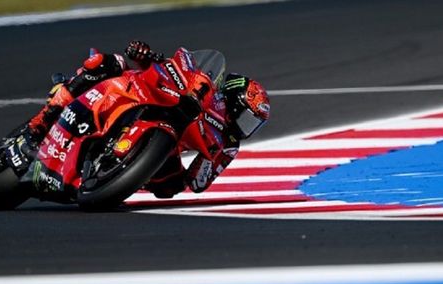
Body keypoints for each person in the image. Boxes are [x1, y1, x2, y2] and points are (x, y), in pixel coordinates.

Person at [19, 40, 270, 198]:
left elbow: (197, 183)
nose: (245, 127)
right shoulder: (204, 87)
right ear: (232, 99)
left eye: (253, 123)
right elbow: (166, 66)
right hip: (131, 92)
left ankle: (117, 171)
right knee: (105, 63)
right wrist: (144, 54)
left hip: (165, 144)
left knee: (170, 188)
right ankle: (39, 123)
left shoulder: (228, 144)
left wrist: (205, 163)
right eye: (247, 118)